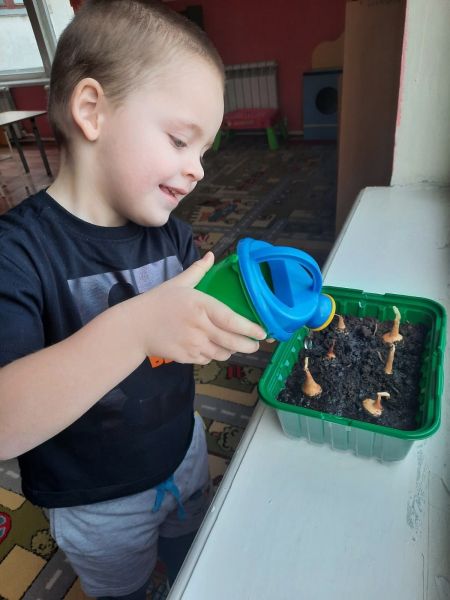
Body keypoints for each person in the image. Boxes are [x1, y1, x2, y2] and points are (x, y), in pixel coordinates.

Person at [0, 1, 267, 598]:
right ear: (92, 110)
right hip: (97, 502)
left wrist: (243, 313)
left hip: (184, 451)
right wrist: (136, 330)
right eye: (179, 140)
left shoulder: (171, 235)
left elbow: (197, 320)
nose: (197, 171)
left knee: (189, 557)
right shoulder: (18, 254)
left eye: (204, 152)